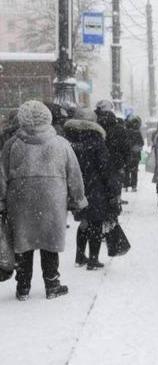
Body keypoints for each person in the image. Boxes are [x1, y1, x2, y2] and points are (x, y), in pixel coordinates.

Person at [0, 100, 87, 300]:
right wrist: (78, 200)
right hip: (52, 201)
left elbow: (1, 176)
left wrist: (2, 202)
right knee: (50, 243)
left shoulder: (12, 145)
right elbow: (75, 174)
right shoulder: (61, 144)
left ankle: (23, 287)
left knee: (23, 243)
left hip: (20, 201)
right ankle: (52, 284)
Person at [64, 108, 121, 270]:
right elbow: (105, 168)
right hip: (96, 188)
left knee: (83, 222)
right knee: (95, 222)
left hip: (76, 187)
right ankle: (93, 259)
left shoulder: (68, 141)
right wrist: (113, 189)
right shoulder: (96, 141)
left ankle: (80, 256)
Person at [124, 115, 144, 192]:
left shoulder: (126, 131)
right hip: (135, 154)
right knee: (134, 171)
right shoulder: (137, 132)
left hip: (127, 154)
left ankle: (126, 185)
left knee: (126, 170)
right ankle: (134, 186)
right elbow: (141, 143)